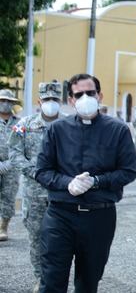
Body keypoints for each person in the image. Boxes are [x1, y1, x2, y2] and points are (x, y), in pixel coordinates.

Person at [35, 73, 136, 292]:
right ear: (71, 100)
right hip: (60, 215)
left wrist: (96, 181)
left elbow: (128, 171)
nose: (85, 98)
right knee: (52, 280)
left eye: (89, 93)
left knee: (88, 282)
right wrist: (67, 183)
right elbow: (42, 171)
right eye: (78, 94)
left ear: (99, 95)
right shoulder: (56, 130)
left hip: (99, 217)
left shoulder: (118, 130)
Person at [8, 81, 63, 291]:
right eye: (47, 99)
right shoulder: (25, 124)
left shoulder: (69, 125)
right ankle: (41, 277)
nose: (51, 103)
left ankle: (58, 277)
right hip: (35, 193)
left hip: (62, 193)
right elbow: (14, 153)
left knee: (63, 240)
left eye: (55, 100)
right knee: (37, 237)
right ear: (39, 101)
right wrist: (35, 172)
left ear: (61, 101)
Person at [0, 88, 21, 241]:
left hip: (12, 167)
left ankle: (3, 227)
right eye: (2, 101)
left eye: (8, 101)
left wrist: (10, 163)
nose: (5, 104)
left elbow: (22, 145)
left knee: (8, 197)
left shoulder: (19, 123)